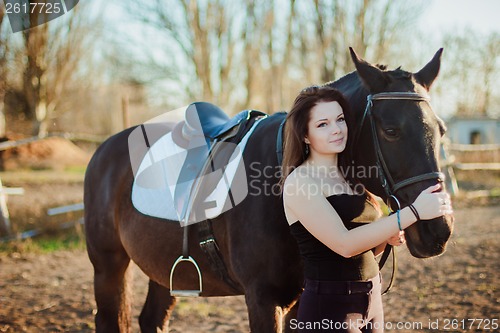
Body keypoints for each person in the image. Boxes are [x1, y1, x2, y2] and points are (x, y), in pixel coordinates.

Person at [280, 85, 452, 332]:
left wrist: (387, 235)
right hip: (330, 308)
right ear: (305, 136)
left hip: (371, 299)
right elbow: (345, 244)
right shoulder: (300, 182)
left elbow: (368, 249)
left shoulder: (353, 178)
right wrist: (413, 213)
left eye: (340, 120)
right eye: (323, 124)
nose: (337, 129)